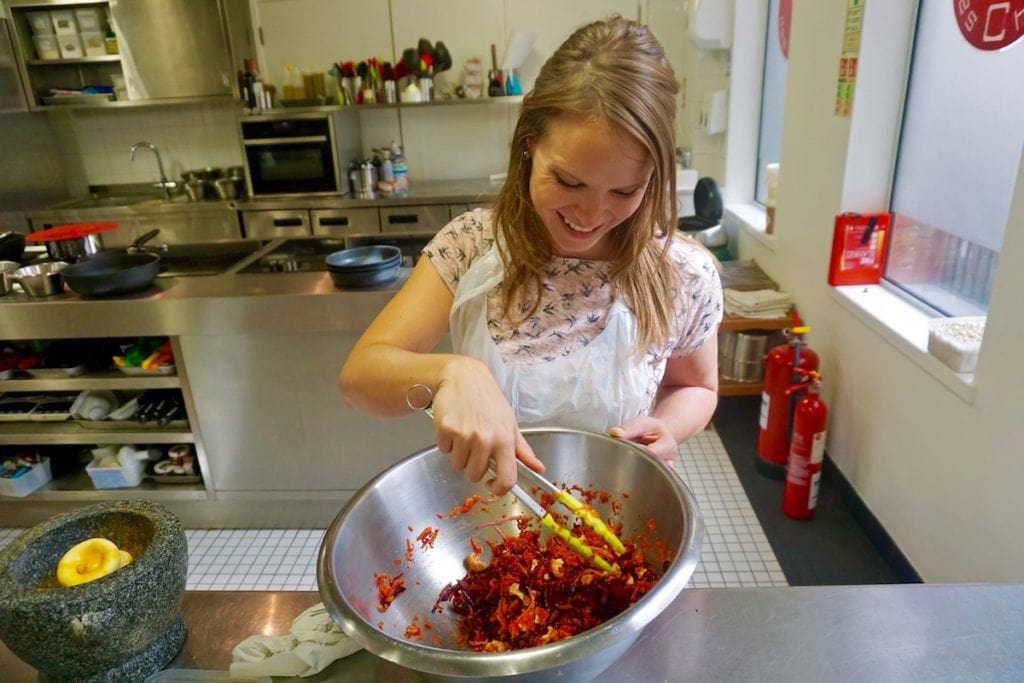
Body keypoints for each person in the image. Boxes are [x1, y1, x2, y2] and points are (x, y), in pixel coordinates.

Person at [340, 15, 722, 495]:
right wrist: (449, 372)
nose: (591, 214)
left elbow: (697, 387)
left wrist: (668, 426)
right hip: (487, 515)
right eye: (568, 181)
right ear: (529, 146)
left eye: (625, 190)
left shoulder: (682, 273)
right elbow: (358, 380)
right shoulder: (470, 245)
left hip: (620, 509)